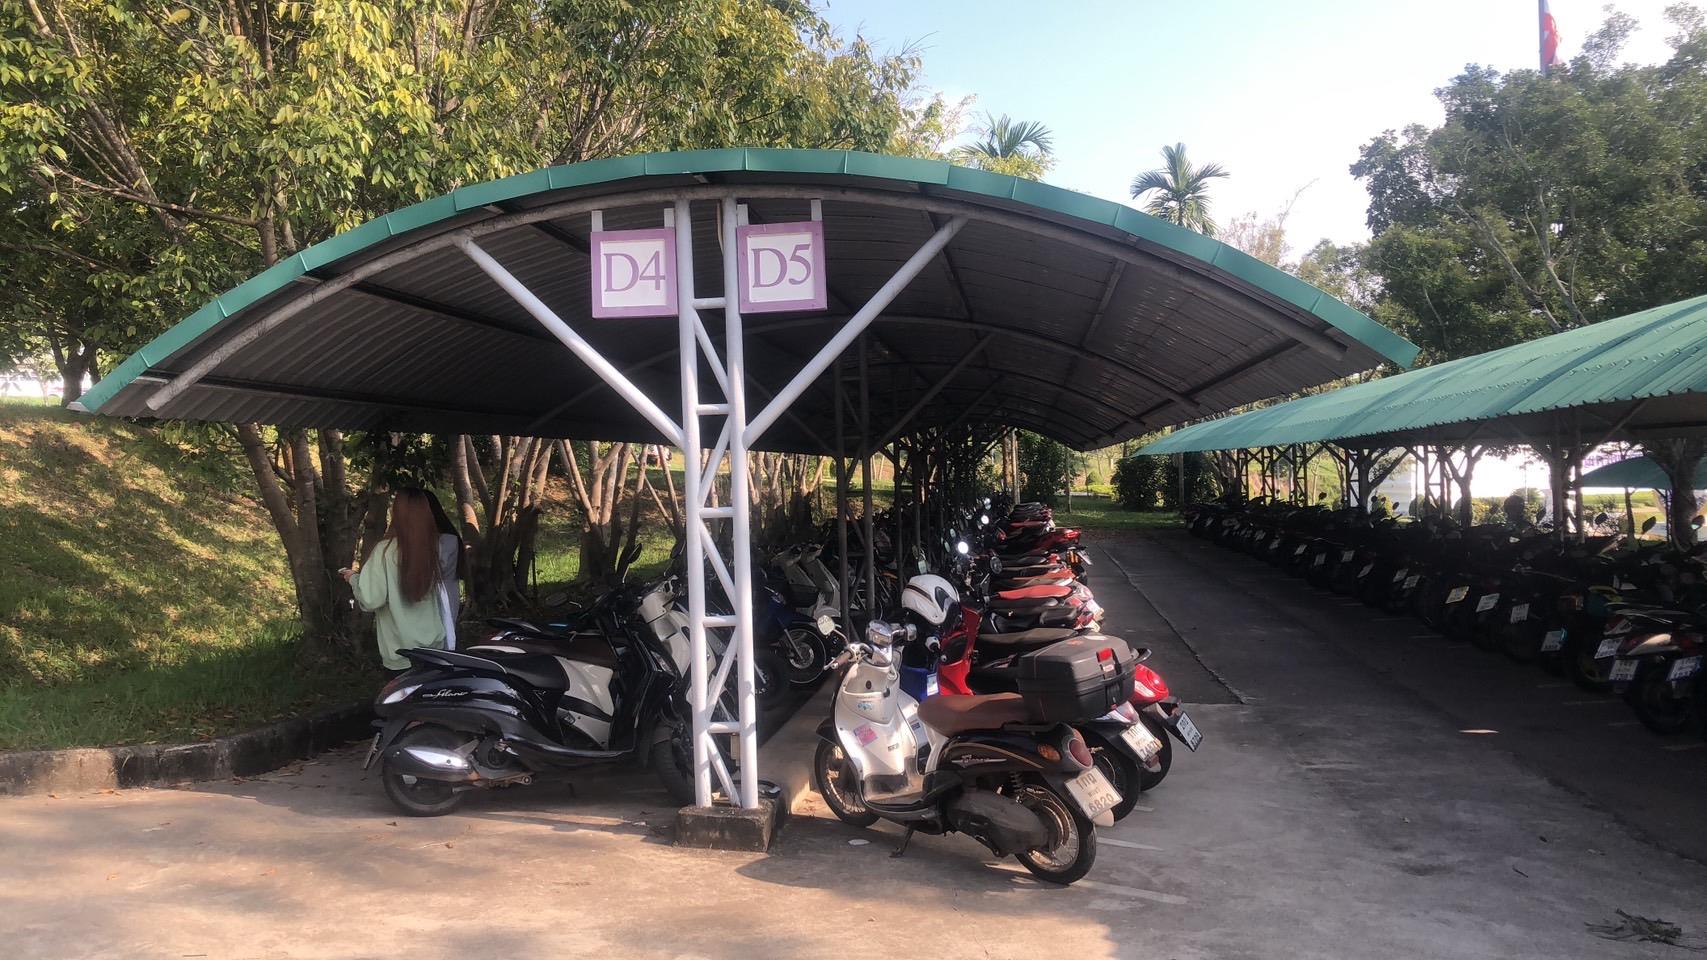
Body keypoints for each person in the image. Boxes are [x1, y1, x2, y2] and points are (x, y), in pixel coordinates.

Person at [342, 488, 449, 673]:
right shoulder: (433, 547)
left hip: (402, 653)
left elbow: (370, 599)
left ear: (396, 514)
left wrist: (353, 579)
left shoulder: (385, 551)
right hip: (435, 647)